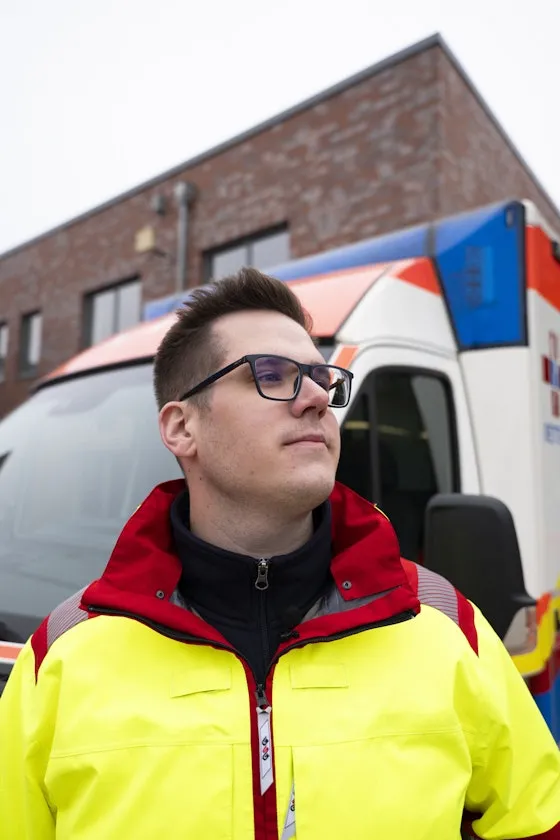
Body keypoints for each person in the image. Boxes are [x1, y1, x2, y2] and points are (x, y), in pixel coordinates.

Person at [0, 268, 558, 840]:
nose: (317, 399)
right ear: (181, 427)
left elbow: (539, 823)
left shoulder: (444, 625)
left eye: (321, 378)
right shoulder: (58, 658)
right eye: (271, 375)